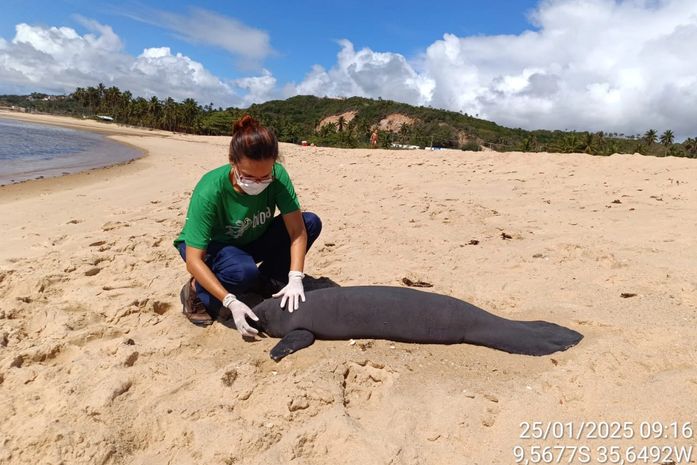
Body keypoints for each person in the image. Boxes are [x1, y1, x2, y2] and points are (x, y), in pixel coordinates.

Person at [173, 115, 322, 337]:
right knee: (241, 272)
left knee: (310, 222)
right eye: (250, 177)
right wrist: (230, 301)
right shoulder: (210, 190)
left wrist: (295, 277)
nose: (258, 183)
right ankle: (195, 290)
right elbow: (194, 260)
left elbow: (297, 230)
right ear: (233, 162)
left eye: (265, 177)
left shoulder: (278, 176)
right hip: (213, 245)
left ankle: (267, 281)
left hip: (251, 236)